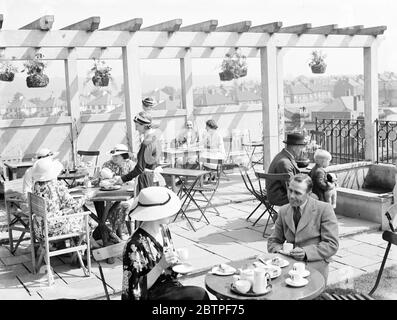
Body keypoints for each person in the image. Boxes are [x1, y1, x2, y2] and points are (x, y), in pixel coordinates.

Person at [121, 186, 210, 300]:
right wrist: (160, 266)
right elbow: (134, 291)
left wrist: (175, 264)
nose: (172, 213)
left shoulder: (164, 229)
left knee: (198, 296)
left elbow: (167, 267)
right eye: (167, 210)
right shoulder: (134, 245)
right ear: (155, 214)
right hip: (150, 295)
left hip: (169, 287)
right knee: (199, 295)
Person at [267, 174, 339, 283]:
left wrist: (306, 253)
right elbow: (273, 241)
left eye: (297, 193)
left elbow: (331, 244)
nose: (291, 196)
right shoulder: (283, 210)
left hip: (314, 265)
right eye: (290, 190)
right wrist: (280, 251)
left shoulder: (324, 209)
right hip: (289, 266)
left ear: (308, 194)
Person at [30, 157, 97, 252]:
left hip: (39, 228)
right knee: (84, 216)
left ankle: (76, 250)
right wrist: (87, 196)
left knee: (73, 214)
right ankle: (82, 252)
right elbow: (74, 205)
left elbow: (53, 203)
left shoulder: (36, 185)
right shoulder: (56, 185)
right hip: (53, 229)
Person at [93, 144, 135, 252]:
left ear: (124, 156)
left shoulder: (130, 165)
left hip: (126, 195)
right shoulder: (107, 164)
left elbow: (135, 181)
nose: (114, 158)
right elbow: (100, 180)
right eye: (113, 156)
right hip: (108, 195)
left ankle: (108, 233)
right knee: (101, 207)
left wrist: (124, 180)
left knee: (122, 206)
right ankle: (110, 234)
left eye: (117, 156)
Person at [114, 111, 165, 194]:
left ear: (144, 126)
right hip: (154, 178)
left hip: (146, 180)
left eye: (137, 126)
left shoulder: (146, 142)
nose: (136, 128)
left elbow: (140, 169)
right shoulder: (156, 138)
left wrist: (123, 179)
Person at [267, 133, 307, 207]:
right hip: (280, 197)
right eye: (302, 147)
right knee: (314, 196)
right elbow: (292, 186)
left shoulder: (283, 156)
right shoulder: (285, 162)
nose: (303, 150)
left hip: (279, 193)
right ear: (295, 148)